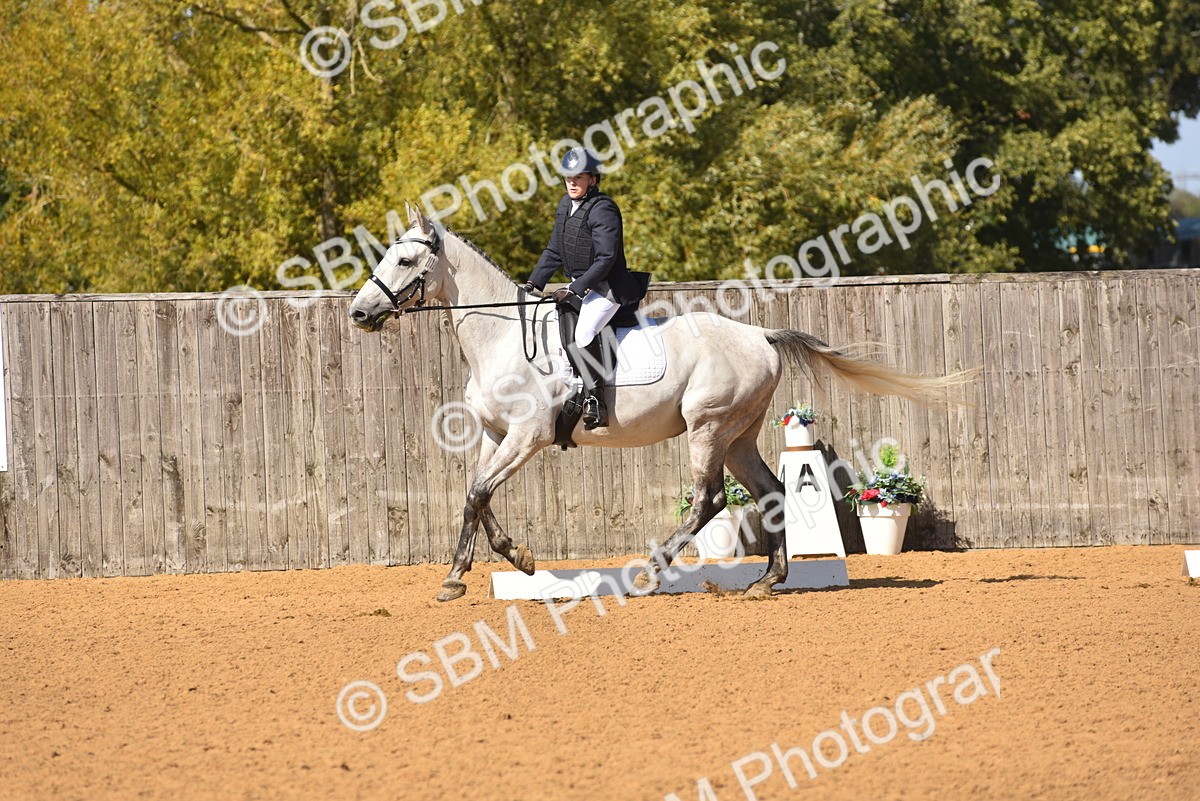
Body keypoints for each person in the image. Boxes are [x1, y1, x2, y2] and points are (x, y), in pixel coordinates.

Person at [523, 147, 649, 429]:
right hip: (583, 286)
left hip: (609, 287)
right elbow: (555, 248)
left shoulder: (604, 209)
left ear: (593, 179)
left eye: (579, 178)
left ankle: (595, 399)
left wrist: (577, 288)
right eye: (568, 177)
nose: (572, 183)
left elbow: (606, 259)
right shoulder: (565, 206)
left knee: (584, 332)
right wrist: (534, 282)